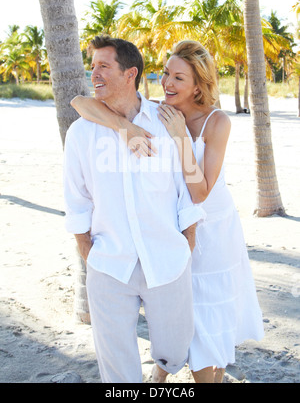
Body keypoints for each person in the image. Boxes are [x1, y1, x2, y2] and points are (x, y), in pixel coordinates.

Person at [71, 39, 264, 383]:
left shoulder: (216, 122)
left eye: (178, 78)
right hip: (171, 228)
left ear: (198, 85)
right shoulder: (159, 111)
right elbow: (82, 103)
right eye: (166, 74)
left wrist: (179, 139)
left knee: (205, 318)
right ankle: (161, 377)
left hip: (211, 230)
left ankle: (184, 377)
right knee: (185, 321)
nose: (168, 83)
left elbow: (200, 192)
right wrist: (125, 127)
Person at [63, 35, 206, 384]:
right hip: (109, 262)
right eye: (92, 65)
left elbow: (184, 190)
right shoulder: (82, 133)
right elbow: (76, 197)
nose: (93, 73)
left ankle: (161, 375)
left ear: (130, 74)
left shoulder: (167, 122)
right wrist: (86, 249)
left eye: (103, 66)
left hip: (167, 259)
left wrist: (187, 241)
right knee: (116, 370)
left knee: (174, 351)